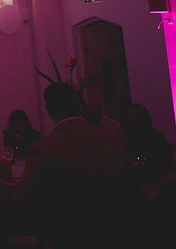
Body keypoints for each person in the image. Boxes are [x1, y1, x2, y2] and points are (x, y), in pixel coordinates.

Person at [18, 82, 140, 249]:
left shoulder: (42, 149)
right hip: (116, 233)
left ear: (49, 110)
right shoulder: (111, 139)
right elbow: (134, 188)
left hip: (65, 237)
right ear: (78, 105)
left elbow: (26, 203)